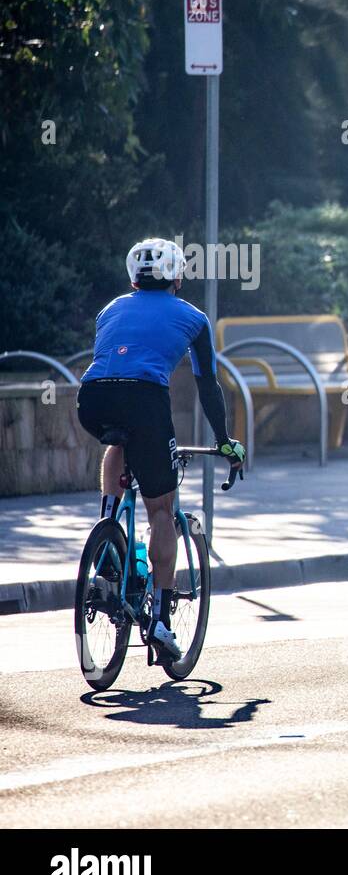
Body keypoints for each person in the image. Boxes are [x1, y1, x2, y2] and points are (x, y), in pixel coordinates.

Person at [77, 238, 246, 660]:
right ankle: (162, 622)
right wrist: (224, 439)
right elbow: (208, 384)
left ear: (133, 276)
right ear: (177, 275)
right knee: (161, 511)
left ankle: (109, 537)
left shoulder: (110, 309)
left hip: (92, 397)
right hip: (144, 400)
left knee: (117, 438)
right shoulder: (193, 316)